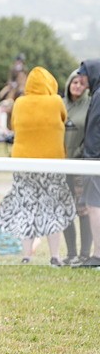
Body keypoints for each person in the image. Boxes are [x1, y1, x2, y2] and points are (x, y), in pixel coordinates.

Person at [0, 66, 75, 265]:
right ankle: (55, 255)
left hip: (23, 163)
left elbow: (13, 125)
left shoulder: (20, 103)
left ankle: (26, 256)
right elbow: (64, 118)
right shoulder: (56, 101)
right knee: (52, 208)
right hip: (52, 163)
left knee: (26, 207)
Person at [62, 68, 92, 264]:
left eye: (81, 83)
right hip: (61, 165)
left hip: (80, 165)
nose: (77, 86)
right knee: (65, 211)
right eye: (74, 82)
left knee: (83, 210)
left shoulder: (90, 105)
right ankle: (71, 253)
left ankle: (84, 254)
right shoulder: (60, 105)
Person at [76, 59, 100, 267]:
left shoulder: (99, 96)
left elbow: (94, 132)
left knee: (94, 206)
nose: (80, 78)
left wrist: (91, 158)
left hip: (95, 160)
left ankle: (98, 254)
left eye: (83, 74)